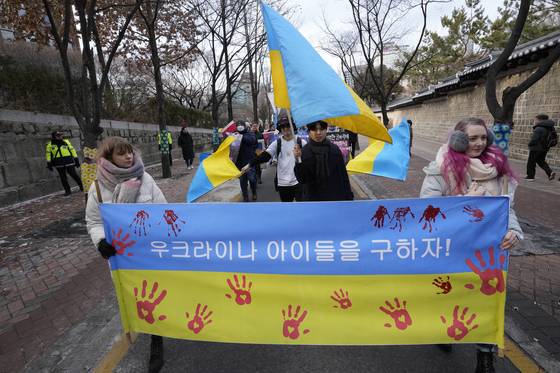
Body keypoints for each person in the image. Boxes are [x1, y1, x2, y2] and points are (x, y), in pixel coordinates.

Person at [420, 118, 523, 373]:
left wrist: (514, 231)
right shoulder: (439, 169)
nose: (478, 143)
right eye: (472, 138)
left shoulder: (498, 169)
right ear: (458, 140)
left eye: (483, 138)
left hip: (486, 250)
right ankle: (444, 331)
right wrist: (467, 201)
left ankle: (484, 358)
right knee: (448, 293)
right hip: (450, 248)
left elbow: (506, 208)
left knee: (487, 300)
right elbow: (427, 212)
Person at [85, 137, 167, 373]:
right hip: (123, 256)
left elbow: (163, 209)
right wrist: (100, 241)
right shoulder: (98, 187)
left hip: (151, 251)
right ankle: (149, 329)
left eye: (130, 152)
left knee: (156, 293)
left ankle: (157, 341)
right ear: (109, 158)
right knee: (138, 298)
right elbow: (93, 221)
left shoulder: (145, 179)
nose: (129, 157)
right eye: (122, 154)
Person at [247, 117, 307, 202]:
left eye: (288, 126)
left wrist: (300, 157)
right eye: (283, 127)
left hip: (299, 182)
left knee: (301, 209)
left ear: (292, 127)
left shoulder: (301, 142)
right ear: (280, 129)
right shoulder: (277, 143)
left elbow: (309, 160)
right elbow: (265, 156)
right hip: (283, 183)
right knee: (286, 209)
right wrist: (250, 164)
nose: (285, 128)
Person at [294, 120, 353, 201]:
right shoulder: (304, 152)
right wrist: (298, 161)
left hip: (335, 199)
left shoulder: (334, 150)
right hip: (313, 200)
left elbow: (343, 176)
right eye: (314, 129)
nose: (318, 133)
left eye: (321, 129)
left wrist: (349, 197)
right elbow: (302, 179)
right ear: (309, 131)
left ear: (326, 130)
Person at [46, 131, 84, 196]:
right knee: (63, 177)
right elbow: (48, 154)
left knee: (74, 174)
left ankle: (82, 186)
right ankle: (67, 190)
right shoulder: (50, 145)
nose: (60, 136)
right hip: (58, 163)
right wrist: (49, 163)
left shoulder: (66, 142)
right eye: (58, 135)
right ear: (54, 136)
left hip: (68, 161)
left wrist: (76, 159)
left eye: (61, 135)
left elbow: (72, 150)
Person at [525, 114, 557, 181]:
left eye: (536, 120)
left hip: (536, 148)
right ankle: (550, 172)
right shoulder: (550, 127)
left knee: (531, 162)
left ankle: (530, 176)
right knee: (541, 161)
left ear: (540, 120)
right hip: (545, 148)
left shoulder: (539, 128)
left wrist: (530, 144)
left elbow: (535, 139)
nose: (535, 121)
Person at [234, 121, 258, 202]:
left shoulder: (249, 134)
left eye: (241, 126)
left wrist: (240, 136)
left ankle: (254, 192)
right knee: (243, 181)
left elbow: (251, 140)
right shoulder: (234, 135)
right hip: (239, 163)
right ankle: (245, 197)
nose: (240, 127)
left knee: (252, 179)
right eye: (238, 126)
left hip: (249, 162)